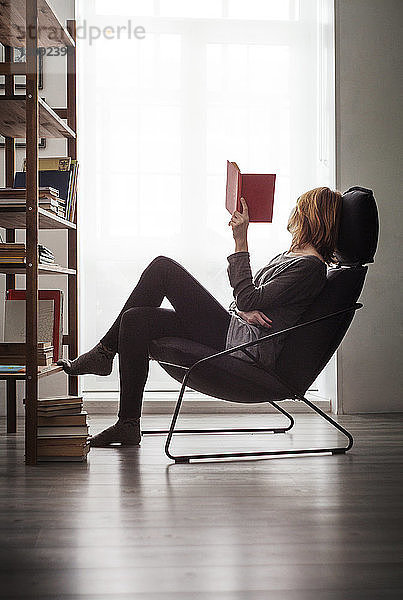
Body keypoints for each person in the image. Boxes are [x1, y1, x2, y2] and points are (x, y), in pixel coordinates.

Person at [58, 186, 342, 447]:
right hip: (237, 329)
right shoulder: (291, 257)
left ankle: (104, 353)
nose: (292, 215)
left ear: (309, 217)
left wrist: (240, 240)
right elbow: (248, 299)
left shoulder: (309, 268)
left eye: (298, 208)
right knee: (135, 320)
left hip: (243, 346)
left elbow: (248, 297)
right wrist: (245, 307)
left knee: (163, 268)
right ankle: (128, 423)